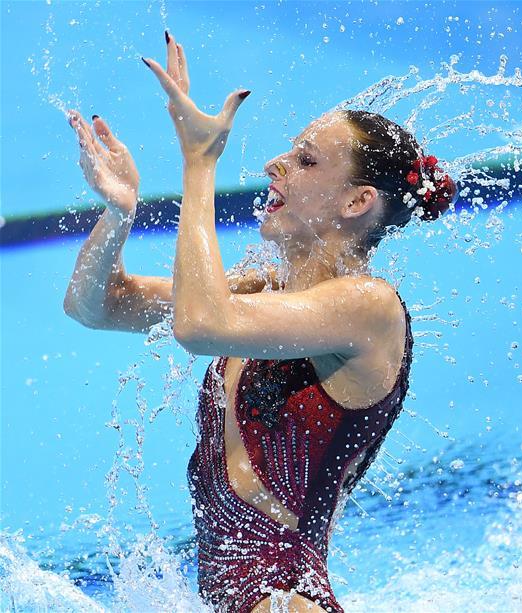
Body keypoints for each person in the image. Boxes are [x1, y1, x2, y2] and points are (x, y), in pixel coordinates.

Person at [63, 30, 457, 613]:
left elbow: (199, 326)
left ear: (356, 203)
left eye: (307, 160)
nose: (277, 162)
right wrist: (120, 214)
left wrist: (199, 164)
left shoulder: (368, 308)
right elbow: (98, 307)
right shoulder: (260, 291)